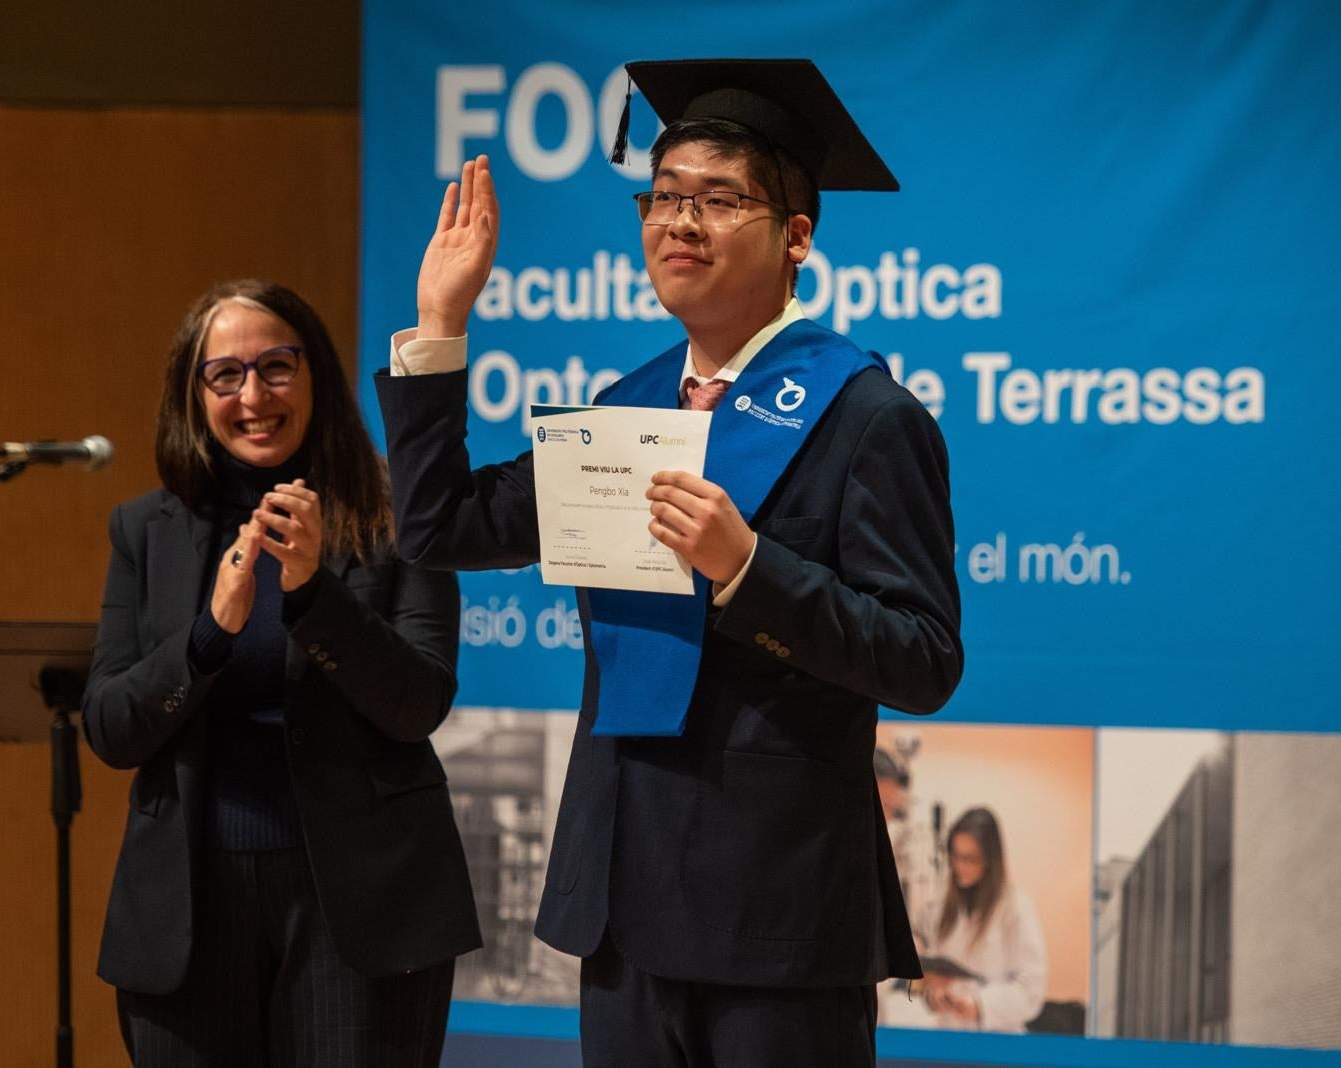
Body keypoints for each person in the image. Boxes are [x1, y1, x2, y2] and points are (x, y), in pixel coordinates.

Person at [375, 58, 962, 1064]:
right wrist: (441, 327)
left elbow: (920, 657)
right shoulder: (625, 408)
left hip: (777, 912)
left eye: (717, 199)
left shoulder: (867, 417)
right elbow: (439, 528)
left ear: (796, 237)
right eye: (665, 197)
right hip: (623, 904)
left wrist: (748, 570)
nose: (679, 221)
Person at [82, 280, 480, 1066]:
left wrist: (313, 597)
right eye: (223, 375)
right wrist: (208, 636)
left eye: (276, 366)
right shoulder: (145, 530)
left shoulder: (397, 514)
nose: (252, 395)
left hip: (361, 909)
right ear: (193, 396)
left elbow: (419, 701)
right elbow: (111, 727)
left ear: (316, 376)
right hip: (190, 912)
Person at [917, 807, 1047, 1033]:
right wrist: (933, 995)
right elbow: (925, 980)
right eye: (955, 856)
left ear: (990, 860)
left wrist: (980, 1004)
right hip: (949, 1038)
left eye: (969, 858)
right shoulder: (940, 909)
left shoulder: (1016, 908)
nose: (959, 866)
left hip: (997, 1042)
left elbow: (1031, 990)